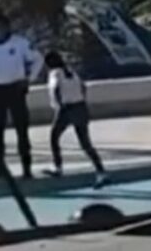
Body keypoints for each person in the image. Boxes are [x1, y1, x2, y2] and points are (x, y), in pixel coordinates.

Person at [0, 14, 43, 179]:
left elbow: (38, 59)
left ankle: (26, 168)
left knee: (22, 130)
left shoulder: (19, 43)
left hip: (16, 89)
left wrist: (30, 79)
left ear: (7, 27)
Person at [44, 50, 107, 188]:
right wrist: (81, 100)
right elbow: (83, 86)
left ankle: (58, 167)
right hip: (80, 107)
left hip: (67, 108)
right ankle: (101, 171)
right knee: (85, 143)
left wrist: (59, 105)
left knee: (54, 137)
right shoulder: (71, 71)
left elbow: (55, 89)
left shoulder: (55, 73)